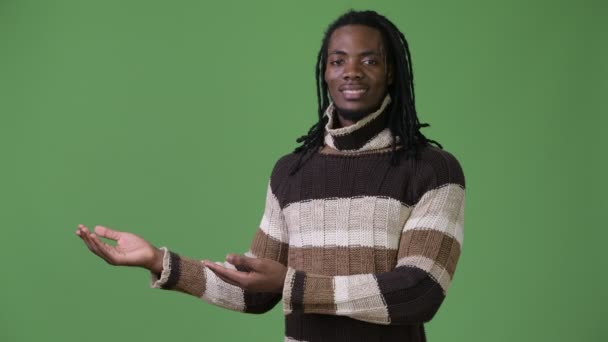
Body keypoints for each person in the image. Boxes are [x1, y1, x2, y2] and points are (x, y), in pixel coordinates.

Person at [75, 9, 465, 342]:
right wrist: (159, 261)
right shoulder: (293, 172)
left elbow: (420, 292)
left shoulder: (432, 170)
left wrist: (291, 283)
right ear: (324, 72)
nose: (352, 72)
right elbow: (255, 291)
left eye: (370, 60)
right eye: (338, 60)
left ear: (392, 73)